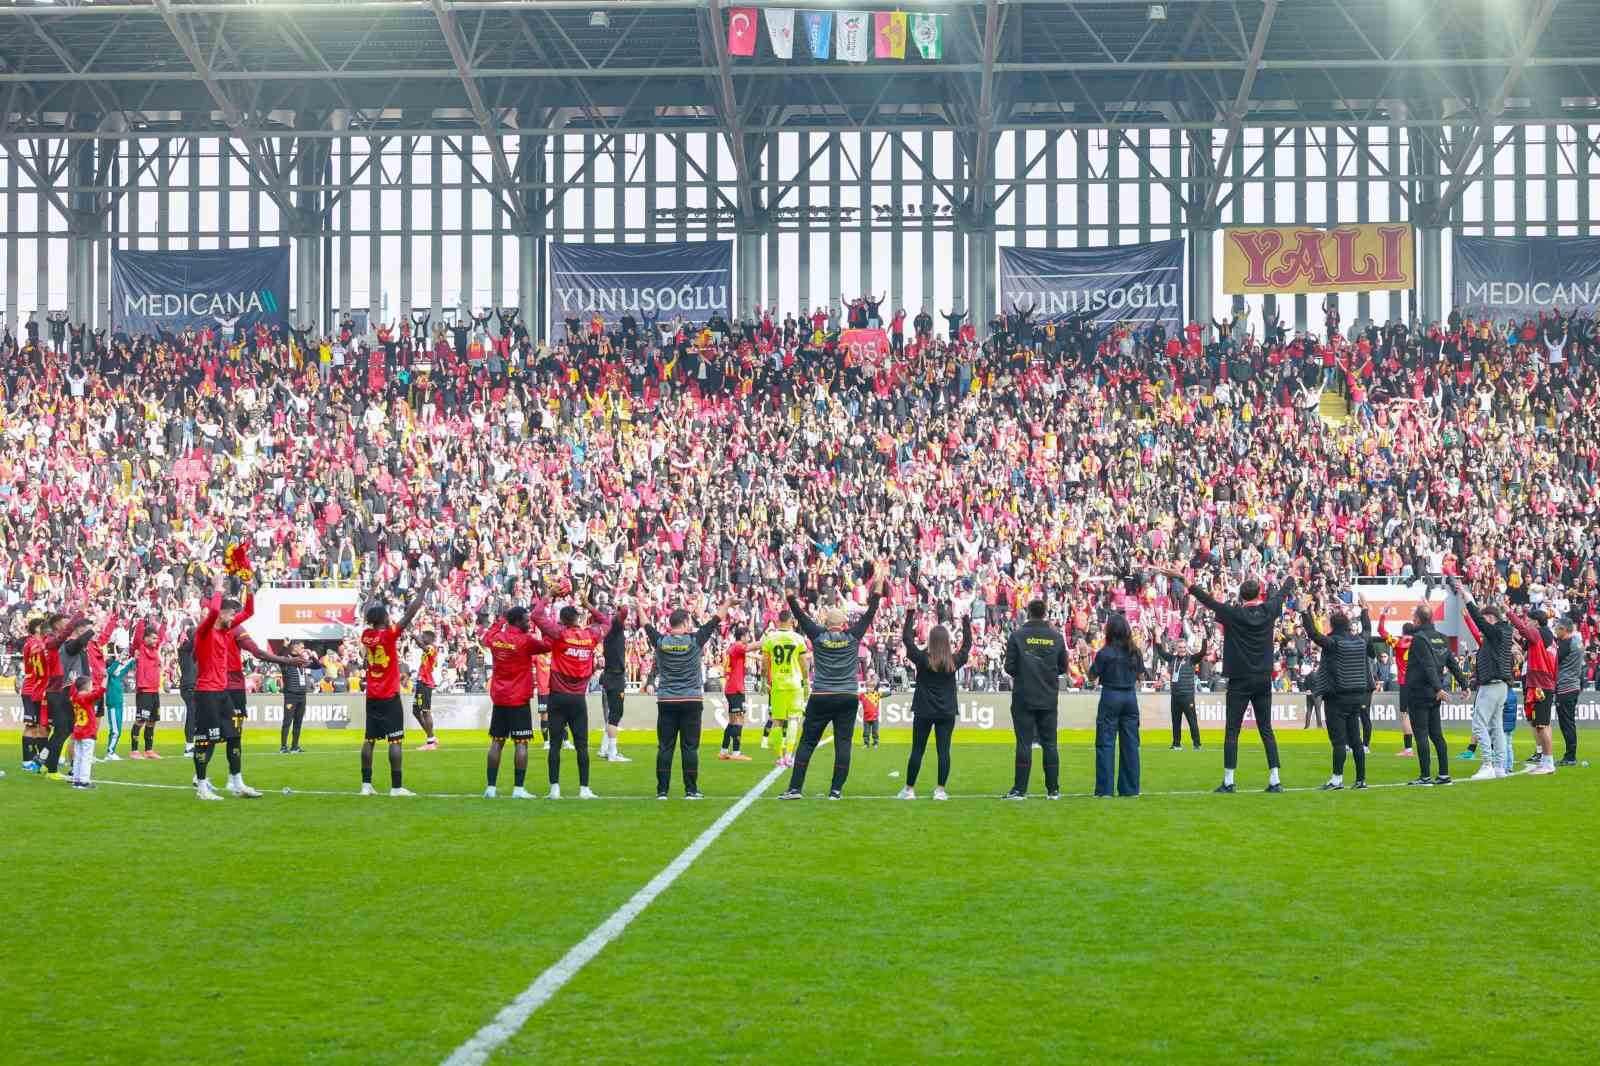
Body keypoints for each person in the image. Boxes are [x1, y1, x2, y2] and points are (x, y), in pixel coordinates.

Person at [1166, 568, 1294, 794]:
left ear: (1241, 596)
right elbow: (1283, 593)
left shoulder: (1234, 613)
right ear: (1259, 594)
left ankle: (1229, 780)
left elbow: (1207, 599)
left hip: (1240, 680)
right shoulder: (1268, 609)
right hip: (1263, 678)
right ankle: (1275, 779)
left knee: (1233, 729)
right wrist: (1292, 576)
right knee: (1266, 729)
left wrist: (1186, 580)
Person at [778, 564, 886, 801]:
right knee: (843, 744)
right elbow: (871, 611)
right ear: (844, 623)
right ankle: (835, 791)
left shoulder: (818, 635)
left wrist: (790, 597)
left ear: (827, 623)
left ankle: (795, 788)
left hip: (822, 695)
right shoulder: (852, 635)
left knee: (807, 742)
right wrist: (879, 582)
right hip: (847, 696)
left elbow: (800, 615)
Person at [531, 586, 613, 799]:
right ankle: (584, 789)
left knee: (555, 745)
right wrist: (588, 605)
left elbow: (536, 615)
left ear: (562, 620)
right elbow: (606, 622)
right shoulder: (590, 636)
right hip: (578, 700)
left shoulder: (559, 634)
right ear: (578, 618)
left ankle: (554, 788)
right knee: (582, 746)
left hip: (557, 697)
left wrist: (549, 594)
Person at [643, 598, 729, 799]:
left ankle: (662, 791)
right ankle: (690, 790)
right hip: (691, 700)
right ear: (684, 623)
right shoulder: (694, 640)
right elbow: (715, 620)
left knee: (665, 747)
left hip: (667, 701)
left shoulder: (661, 642)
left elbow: (647, 625)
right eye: (689, 621)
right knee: (689, 747)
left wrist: (639, 607)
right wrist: (728, 603)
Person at [357, 574, 435, 797]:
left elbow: (366, 613)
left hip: (371, 695)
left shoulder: (366, 635)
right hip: (389, 696)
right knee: (395, 740)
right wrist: (424, 588)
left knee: (369, 740)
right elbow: (410, 613)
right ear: (383, 619)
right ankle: (396, 787)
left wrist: (372, 589)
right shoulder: (389, 635)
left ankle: (366, 785)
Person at [898, 600, 972, 800]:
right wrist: (966, 622)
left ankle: (909, 789)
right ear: (947, 641)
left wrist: (910, 614)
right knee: (943, 751)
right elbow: (966, 647)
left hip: (924, 710)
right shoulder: (953, 661)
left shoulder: (922, 659)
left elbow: (907, 639)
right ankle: (940, 790)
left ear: (930, 640)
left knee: (917, 750)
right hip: (946, 711)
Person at [481, 605, 555, 800]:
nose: (528, 622)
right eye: (525, 619)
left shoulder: (497, 639)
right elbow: (548, 645)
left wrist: (501, 620)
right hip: (518, 699)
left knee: (496, 742)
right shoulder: (526, 640)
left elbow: (485, 638)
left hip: (500, 698)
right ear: (517, 621)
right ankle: (518, 789)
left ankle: (490, 788)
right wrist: (545, 626)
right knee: (521, 744)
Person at [1301, 603, 1375, 791]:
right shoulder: (1360, 641)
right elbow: (1367, 629)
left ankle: (1337, 779)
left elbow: (1314, 635)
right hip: (1357, 697)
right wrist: (1365, 610)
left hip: (1336, 698)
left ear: (1333, 626)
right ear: (1348, 625)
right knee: (1356, 741)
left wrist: (1304, 613)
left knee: (1339, 742)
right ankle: (1361, 780)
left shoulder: (1333, 643)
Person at [1450, 575, 1513, 782]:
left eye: (1486, 620)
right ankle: (1499, 767)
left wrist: (1468, 599)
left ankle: (1487, 764)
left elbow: (1479, 620)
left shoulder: (1496, 633)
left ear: (1492, 620)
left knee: (1479, 724)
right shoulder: (1502, 634)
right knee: (1496, 727)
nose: (1483, 625)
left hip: (1492, 686)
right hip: (1500, 687)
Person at [1003, 598, 1068, 800]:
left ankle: (1020, 790)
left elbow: (1009, 668)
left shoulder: (1018, 636)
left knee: (1024, 743)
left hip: (1024, 696)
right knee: (1050, 743)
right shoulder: (1056, 638)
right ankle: (1053, 789)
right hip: (1048, 696)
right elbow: (1063, 667)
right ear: (1045, 613)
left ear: (1028, 613)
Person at [1400, 603, 1468, 786]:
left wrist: (1439, 688)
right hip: (1433, 694)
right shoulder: (1442, 638)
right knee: (1437, 734)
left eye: (1414, 618)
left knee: (1421, 735)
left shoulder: (1419, 639)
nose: (1412, 621)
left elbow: (1428, 666)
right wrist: (1464, 683)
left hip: (1420, 692)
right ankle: (1444, 774)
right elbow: (1452, 663)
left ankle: (1425, 777)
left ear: (1419, 619)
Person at [1089, 613, 1147, 798]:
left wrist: (1084, 657)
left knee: (1105, 744)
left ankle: (1105, 790)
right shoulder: (1134, 652)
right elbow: (1142, 677)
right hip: (1130, 697)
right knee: (1130, 745)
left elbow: (1092, 678)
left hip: (1110, 695)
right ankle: (1130, 789)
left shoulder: (1105, 652)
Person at [1507, 608, 1558, 776]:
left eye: (1529, 620)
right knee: (1543, 724)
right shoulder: (1545, 635)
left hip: (1540, 684)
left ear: (1536, 622)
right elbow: (1524, 643)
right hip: (1543, 683)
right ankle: (1545, 760)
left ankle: (1549, 762)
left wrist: (1510, 613)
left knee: (1541, 725)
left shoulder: (1538, 633)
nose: (1527, 623)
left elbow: (1523, 630)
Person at [759, 610, 810, 767]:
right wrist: (806, 682)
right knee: (794, 719)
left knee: (777, 721)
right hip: (795, 684)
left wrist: (763, 680)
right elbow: (803, 663)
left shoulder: (770, 638)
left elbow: (765, 662)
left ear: (778, 621)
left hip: (778, 684)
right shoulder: (798, 639)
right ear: (792, 621)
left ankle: (780, 756)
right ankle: (789, 755)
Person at [597, 602, 630, 763]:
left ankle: (604, 749)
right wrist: (622, 607)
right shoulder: (616, 629)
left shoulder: (609, 634)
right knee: (615, 715)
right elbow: (624, 611)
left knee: (611, 716)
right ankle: (612, 753)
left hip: (608, 677)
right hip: (615, 678)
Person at [129, 618, 166, 759]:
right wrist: (141, 622)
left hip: (154, 690)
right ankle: (134, 750)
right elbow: (138, 636)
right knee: (140, 720)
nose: (156, 640)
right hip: (144, 690)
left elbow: (161, 638)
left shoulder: (155, 649)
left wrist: (164, 624)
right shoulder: (141, 649)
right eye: (153, 638)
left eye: (156, 638)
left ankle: (149, 750)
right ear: (145, 638)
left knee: (152, 721)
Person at [718, 625, 751, 762]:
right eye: (748, 635)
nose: (749, 638)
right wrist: (766, 642)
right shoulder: (738, 646)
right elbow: (751, 649)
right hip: (735, 689)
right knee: (738, 719)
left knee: (733, 720)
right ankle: (736, 752)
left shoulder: (733, 648)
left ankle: (724, 751)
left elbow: (749, 655)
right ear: (742, 636)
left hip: (732, 688)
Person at [1553, 616, 1583, 766]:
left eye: (1557, 628)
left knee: (1567, 723)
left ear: (1564, 630)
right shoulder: (1578, 642)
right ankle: (1570, 755)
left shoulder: (1565, 643)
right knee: (1569, 722)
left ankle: (1570, 757)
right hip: (1574, 685)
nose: (1555, 631)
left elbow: (1553, 662)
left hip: (1565, 687)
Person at [69, 675, 106, 790]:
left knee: (78, 756)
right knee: (86, 757)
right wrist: (106, 677)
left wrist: (74, 681)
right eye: (90, 684)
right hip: (87, 731)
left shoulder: (75, 697)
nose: (92, 686)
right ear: (86, 686)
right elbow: (100, 692)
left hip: (78, 730)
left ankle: (76, 780)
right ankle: (84, 781)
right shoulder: (86, 697)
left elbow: (73, 690)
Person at [1168, 633, 1204, 751]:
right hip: (1175, 696)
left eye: (1184, 647)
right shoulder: (1172, 659)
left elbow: (1202, 653)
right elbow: (1161, 652)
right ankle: (1176, 744)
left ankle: (1197, 744)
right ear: (1176, 648)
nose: (1182, 649)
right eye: (1180, 647)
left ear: (1186, 648)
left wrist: (1204, 639)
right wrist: (1157, 637)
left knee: (1192, 721)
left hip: (1187, 696)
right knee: (1176, 721)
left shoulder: (1191, 659)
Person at [278, 641, 313, 755]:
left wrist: (311, 655)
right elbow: (279, 657)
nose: (303, 649)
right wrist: (284, 646)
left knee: (298, 722)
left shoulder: (301, 660)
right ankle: (283, 747)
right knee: (287, 721)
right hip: (291, 695)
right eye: (302, 647)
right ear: (295, 647)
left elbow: (317, 666)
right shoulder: (287, 660)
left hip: (302, 695)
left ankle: (295, 746)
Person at [101, 652, 134, 761]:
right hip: (113, 707)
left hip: (119, 706)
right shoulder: (109, 677)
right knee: (115, 730)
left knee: (118, 730)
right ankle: (110, 753)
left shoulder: (117, 677)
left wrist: (134, 659)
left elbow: (126, 668)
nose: (118, 668)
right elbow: (109, 671)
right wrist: (118, 660)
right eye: (117, 666)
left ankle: (112, 752)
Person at [412, 630, 441, 751]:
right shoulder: (428, 646)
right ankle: (432, 737)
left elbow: (423, 646)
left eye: (424, 636)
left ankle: (430, 742)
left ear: (430, 638)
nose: (422, 638)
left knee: (425, 711)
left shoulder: (432, 647)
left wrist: (414, 636)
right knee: (415, 711)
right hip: (421, 682)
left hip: (426, 682)